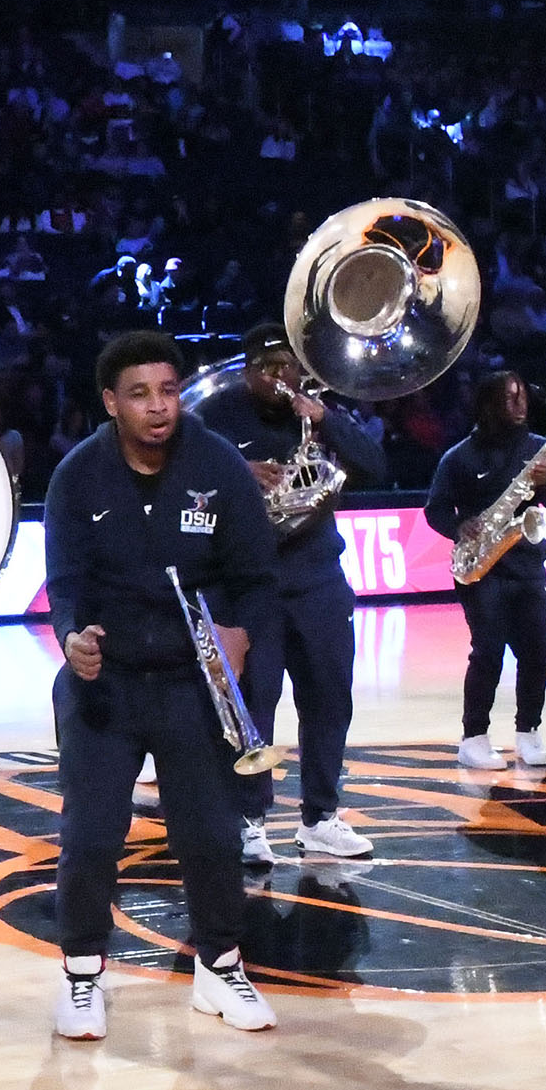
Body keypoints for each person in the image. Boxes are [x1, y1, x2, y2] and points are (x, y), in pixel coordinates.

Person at [43, 331, 280, 1040]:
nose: (158, 407)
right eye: (140, 393)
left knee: (210, 837)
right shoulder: (77, 476)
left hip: (191, 685)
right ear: (111, 401)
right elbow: (63, 585)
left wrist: (239, 634)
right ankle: (82, 972)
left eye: (169, 391)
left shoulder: (218, 465)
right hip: (105, 687)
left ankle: (220, 965)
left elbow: (258, 578)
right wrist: (72, 639)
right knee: (90, 837)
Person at [192, 322, 384, 864]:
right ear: (248, 370)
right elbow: (188, 482)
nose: (280, 377)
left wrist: (326, 419)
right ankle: (250, 820)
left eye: (289, 367)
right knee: (256, 706)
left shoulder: (317, 415)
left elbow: (374, 467)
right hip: (252, 586)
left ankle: (321, 817)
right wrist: (239, 472)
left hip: (320, 581)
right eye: (268, 367)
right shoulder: (215, 417)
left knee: (329, 698)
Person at [422, 371, 546, 770]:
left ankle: (529, 732)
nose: (520, 405)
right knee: (487, 653)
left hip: (527, 564)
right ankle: (474, 738)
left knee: (538, 653)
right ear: (488, 405)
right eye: (509, 398)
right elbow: (434, 509)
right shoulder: (458, 457)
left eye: (522, 396)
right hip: (482, 569)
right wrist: (459, 526)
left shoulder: (541, 450)